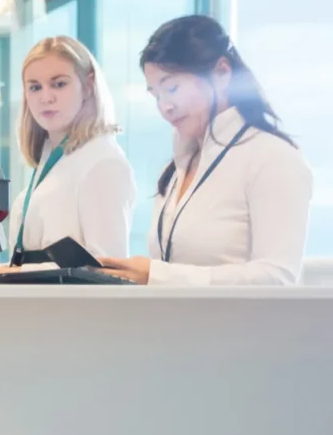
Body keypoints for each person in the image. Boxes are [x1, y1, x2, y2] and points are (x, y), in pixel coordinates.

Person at [100, 15, 312, 285]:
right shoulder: (177, 167)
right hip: (178, 325)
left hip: (236, 327)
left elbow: (277, 277)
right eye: (156, 95)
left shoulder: (272, 156)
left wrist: (157, 275)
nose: (165, 106)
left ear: (222, 73)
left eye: (172, 88)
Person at [0, 35, 135, 276]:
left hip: (73, 312)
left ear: (88, 86)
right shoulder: (51, 160)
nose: (45, 97)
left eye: (59, 84)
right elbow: (34, 261)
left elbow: (107, 269)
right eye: (35, 87)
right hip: (37, 309)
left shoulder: (103, 161)